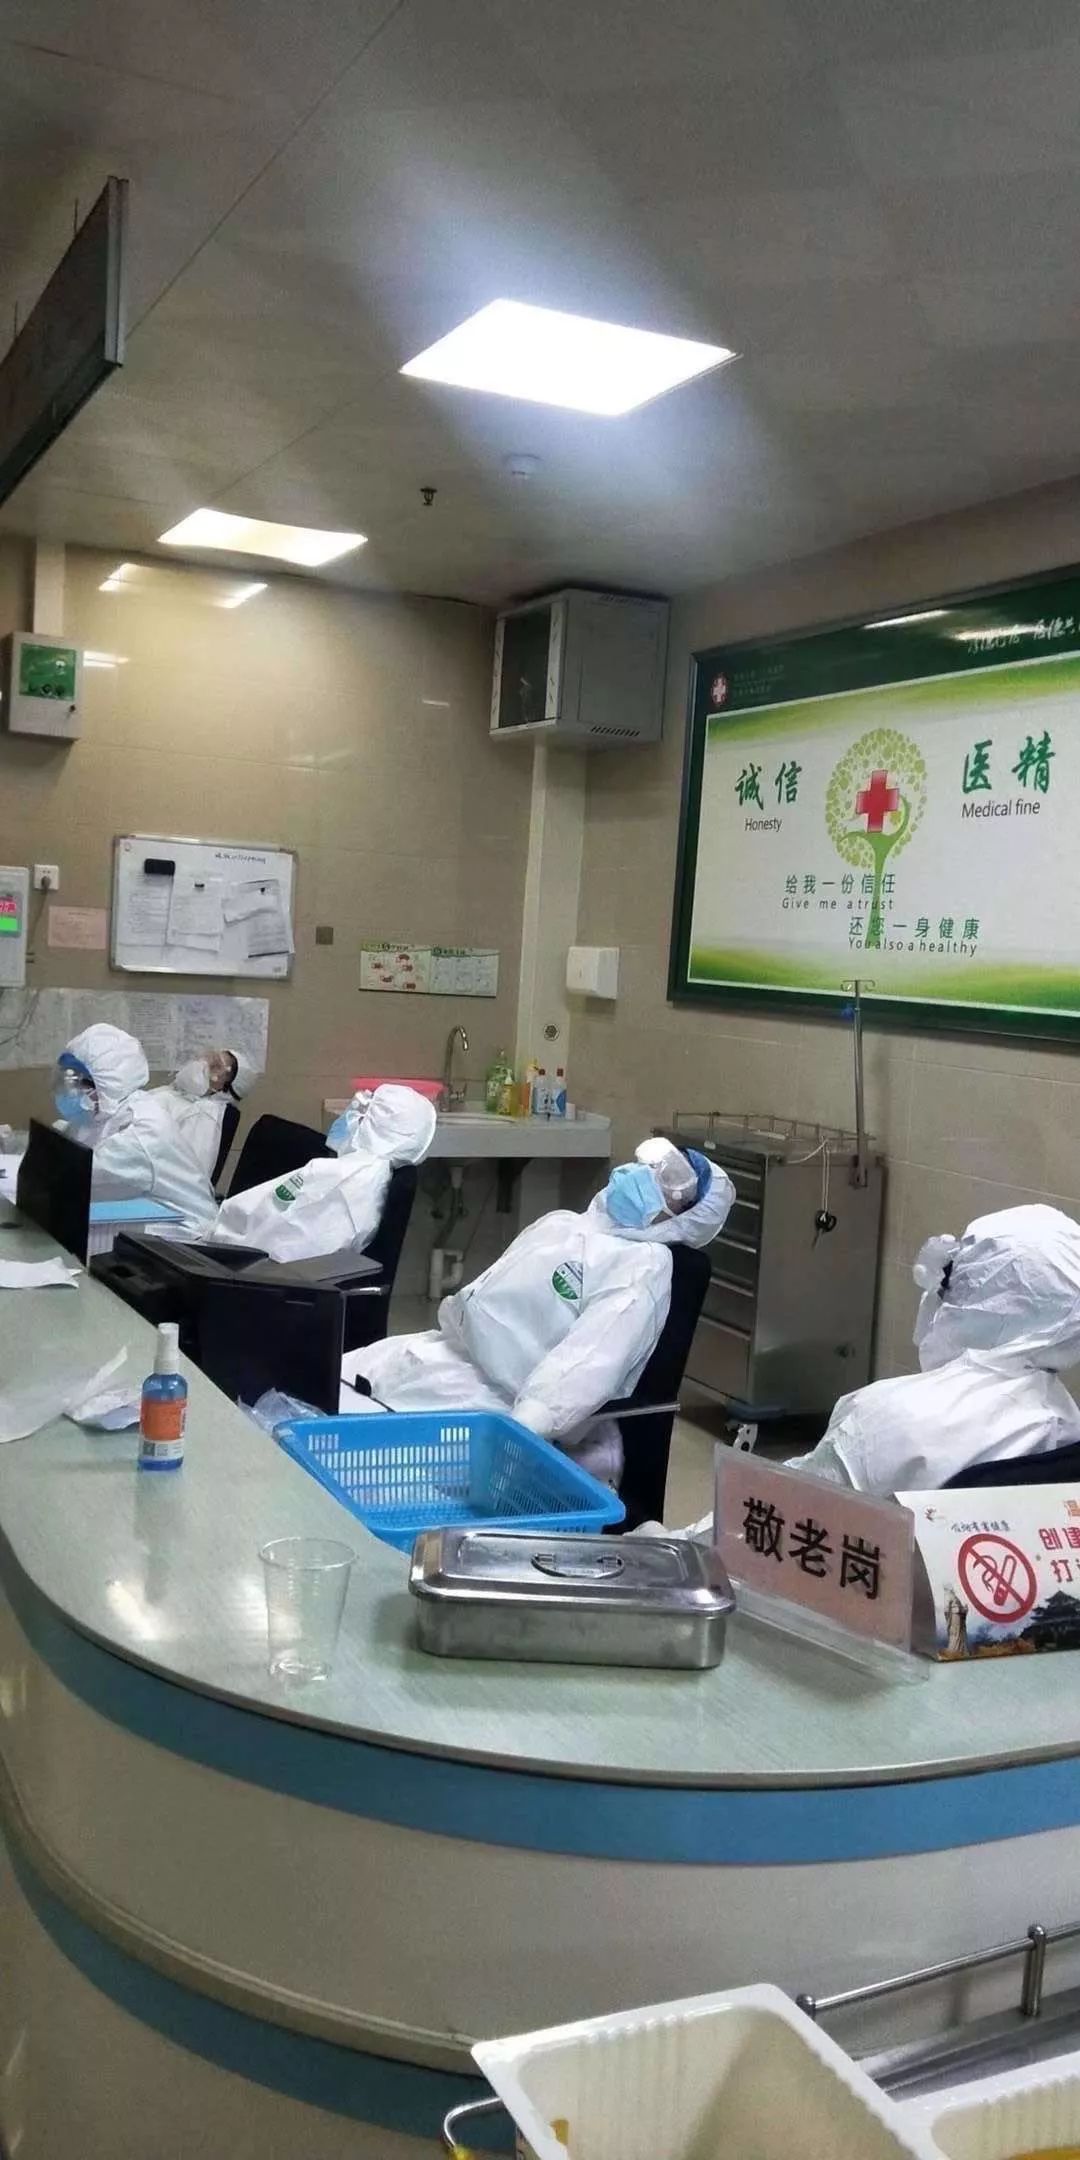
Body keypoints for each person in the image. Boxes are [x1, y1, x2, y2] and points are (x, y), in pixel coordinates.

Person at [346, 1136, 735, 1484]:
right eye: (650, 1166)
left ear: (687, 1219)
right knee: (326, 1384)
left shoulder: (641, 1266)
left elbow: (588, 1361)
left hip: (494, 1401)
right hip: (441, 1354)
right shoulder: (563, 1224)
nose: (642, 1177)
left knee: (354, 1456)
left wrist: (523, 1428)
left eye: (670, 1184)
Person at [791, 1204, 1080, 1494]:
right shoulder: (1066, 1426)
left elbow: (794, 1500)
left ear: (987, 1298)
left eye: (954, 1277)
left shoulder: (883, 1418)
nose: (937, 1292)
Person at [209, 1084, 436, 1262]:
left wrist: (215, 1237)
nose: (348, 1114)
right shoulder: (366, 1177)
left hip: (246, 1270)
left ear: (375, 1128)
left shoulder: (337, 1178)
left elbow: (276, 1241)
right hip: (249, 1259)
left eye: (360, 1109)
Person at [52, 1023, 218, 1227]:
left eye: (81, 1083)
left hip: (182, 1233)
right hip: (140, 1217)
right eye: (66, 1078)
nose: (70, 1090)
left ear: (107, 1085)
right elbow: (70, 1143)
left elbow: (74, 1178)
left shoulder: (140, 1134)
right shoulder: (104, 1110)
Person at [147, 1049, 258, 1180]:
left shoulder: (204, 1115)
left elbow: (185, 1175)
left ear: (223, 1088)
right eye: (207, 1059)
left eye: (215, 1066)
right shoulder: (179, 1095)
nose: (203, 1064)